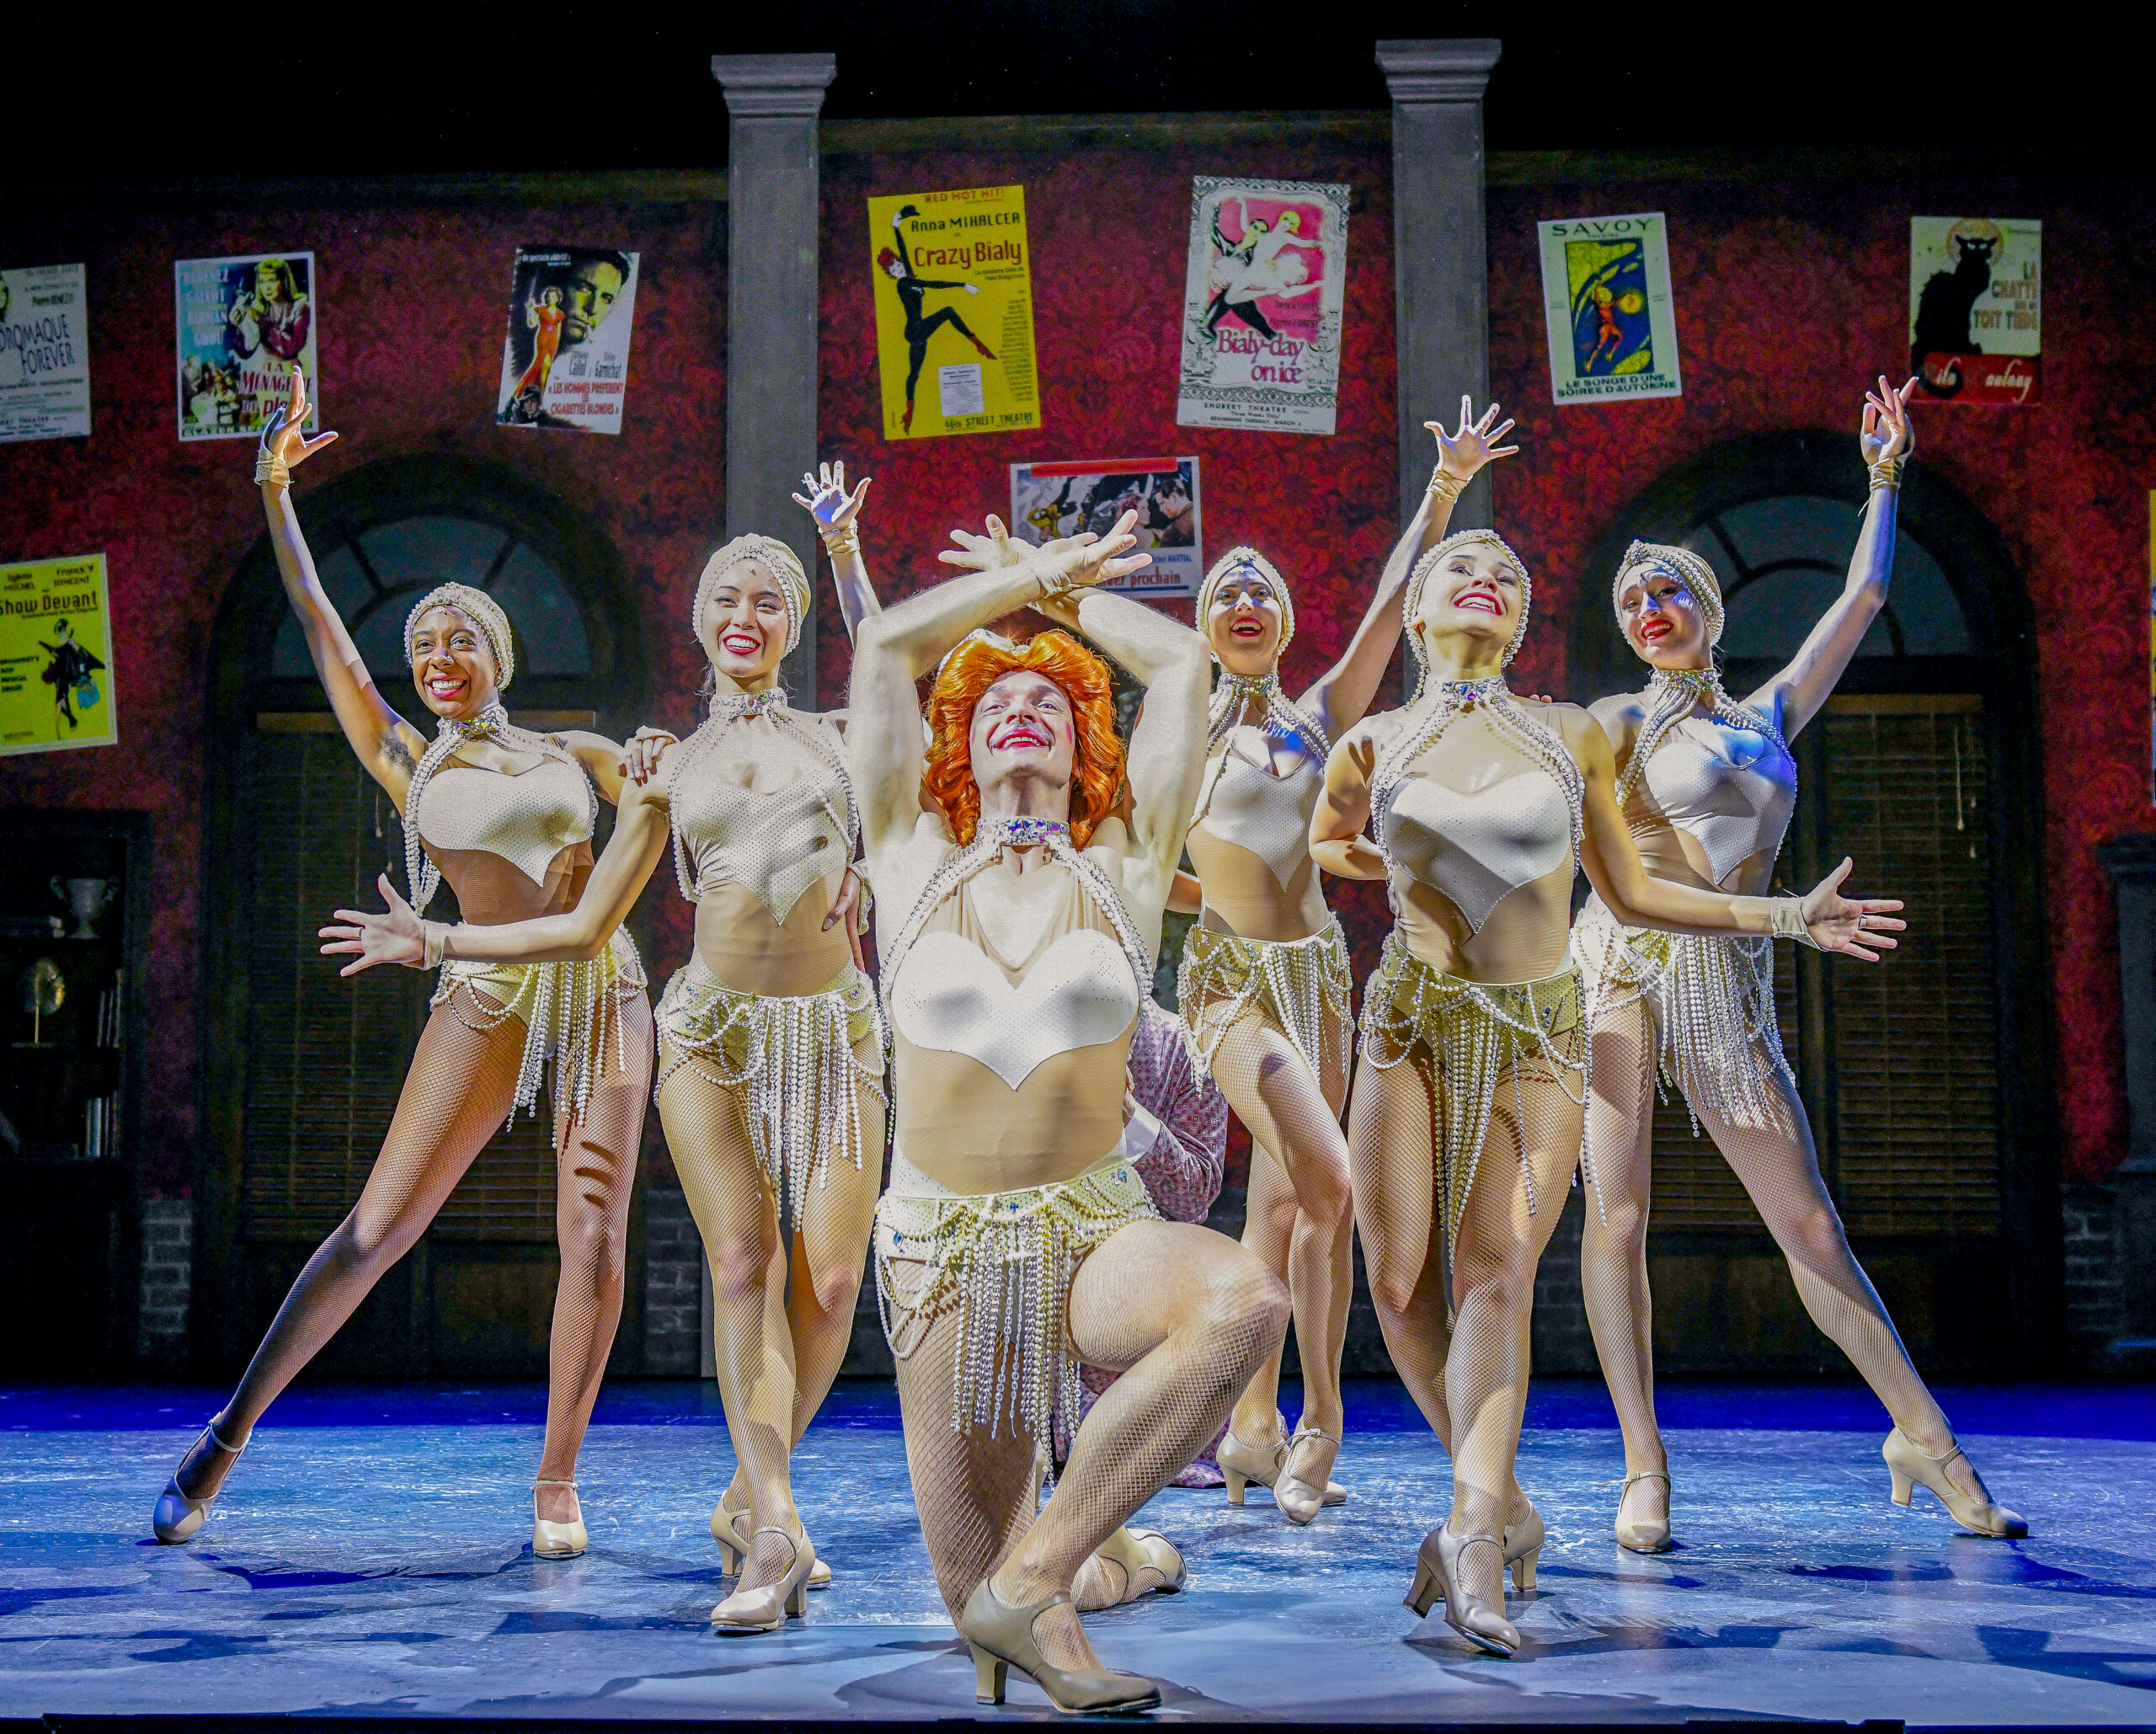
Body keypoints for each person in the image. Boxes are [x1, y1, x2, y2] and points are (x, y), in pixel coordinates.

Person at [1309, 517, 1904, 1657]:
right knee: (1394, 1283)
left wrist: (1786, 914)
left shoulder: (1569, 732)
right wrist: (1403, 861)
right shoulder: (1371, 742)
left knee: (1494, 1273)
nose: (1484, 579)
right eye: (1459, 569)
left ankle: (1472, 1532)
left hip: (1540, 1026)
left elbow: (1630, 893)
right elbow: (1329, 841)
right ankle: (1506, 1504)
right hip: (1408, 1020)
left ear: (1519, 619)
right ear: (1419, 612)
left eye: (1506, 573)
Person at [327, 467, 885, 1635]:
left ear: (791, 627)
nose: (744, 615)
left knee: (833, 1281)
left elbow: (897, 704)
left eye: (767, 601)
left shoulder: (839, 742)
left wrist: (842, 559)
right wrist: (438, 938)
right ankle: (776, 1523)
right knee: (744, 1266)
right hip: (710, 1029)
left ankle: (746, 1497)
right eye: (725, 598)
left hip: (835, 1030)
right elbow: (584, 927)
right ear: (700, 622)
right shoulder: (665, 766)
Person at [152, 370, 656, 1561]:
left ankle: (556, 1479)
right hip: (481, 989)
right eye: (424, 641)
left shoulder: (571, 751)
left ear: (500, 657)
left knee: (593, 1232)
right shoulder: (405, 759)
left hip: (601, 992)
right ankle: (225, 1435)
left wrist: (653, 756)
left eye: (462, 637)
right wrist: (275, 491)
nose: (439, 654)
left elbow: (681, 782)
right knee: (375, 1229)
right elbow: (322, 622)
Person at [1574, 376, 2025, 1549]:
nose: (1650, 607)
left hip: (1727, 985)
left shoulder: (1768, 714)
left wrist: (1883, 473)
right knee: (1617, 1215)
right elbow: (1609, 871)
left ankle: (1925, 1437)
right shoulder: (1617, 721)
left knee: (1812, 1228)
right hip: (1620, 967)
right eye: (1631, 598)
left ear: (1711, 607)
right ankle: (1642, 1465)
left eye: (1669, 588)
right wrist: (1783, 916)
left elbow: (1864, 592)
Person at [849, 511, 1289, 1713]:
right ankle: (1110, 1566)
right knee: (975, 1608)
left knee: (1245, 1300)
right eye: (994, 700)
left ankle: (1045, 1570)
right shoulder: (906, 852)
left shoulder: (1126, 862)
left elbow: (1183, 663)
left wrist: (1063, 598)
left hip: (1096, 1229)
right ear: (957, 737)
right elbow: (884, 649)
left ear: (1088, 733)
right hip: (939, 1253)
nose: (1020, 707)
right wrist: (1025, 575)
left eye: (1049, 697)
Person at [1179, 397, 1519, 1528]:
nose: (1243, 600)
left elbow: (1387, 602)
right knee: (1317, 1178)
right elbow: (1135, 866)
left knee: (1294, 1202)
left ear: (1282, 620)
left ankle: (1267, 1419)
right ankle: (1305, 1415)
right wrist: (1209, 899)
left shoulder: (1326, 715)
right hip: (1230, 983)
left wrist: (1443, 490)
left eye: (1261, 589)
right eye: (1224, 590)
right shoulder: (1176, 740)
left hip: (1318, 973)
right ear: (1204, 623)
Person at [880, 207, 996, 435]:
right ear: (891, 274)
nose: (897, 267)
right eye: (892, 268)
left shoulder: (908, 274)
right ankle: (978, 345)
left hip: (918, 334)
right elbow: (932, 284)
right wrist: (962, 285)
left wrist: (896, 228)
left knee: (914, 374)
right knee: (949, 312)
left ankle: (908, 413)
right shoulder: (903, 283)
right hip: (914, 330)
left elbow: (903, 250)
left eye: (897, 263)